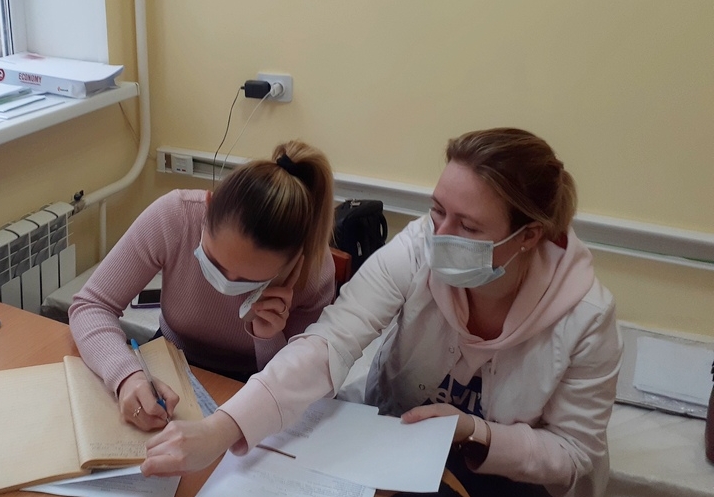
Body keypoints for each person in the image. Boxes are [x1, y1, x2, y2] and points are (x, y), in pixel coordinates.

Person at [142, 128, 623, 497]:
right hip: (392, 445)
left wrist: (474, 432)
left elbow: (573, 452)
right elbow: (329, 343)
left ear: (529, 237)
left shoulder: (586, 317)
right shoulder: (416, 250)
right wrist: (220, 429)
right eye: (438, 211)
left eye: (469, 227)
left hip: (507, 478)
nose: (439, 236)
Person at [69, 140, 336, 432]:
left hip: (253, 383)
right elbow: (91, 305)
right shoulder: (177, 217)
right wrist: (126, 376)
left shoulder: (314, 271)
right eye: (215, 261)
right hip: (168, 359)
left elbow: (298, 384)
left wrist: (268, 337)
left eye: (248, 280)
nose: (226, 282)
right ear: (208, 208)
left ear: (294, 259)